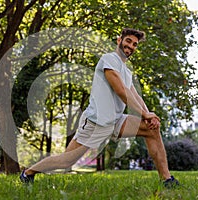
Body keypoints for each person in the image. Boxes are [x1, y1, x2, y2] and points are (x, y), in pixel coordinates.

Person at [20, 28, 179, 188]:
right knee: (67, 160)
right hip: (96, 122)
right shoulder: (109, 59)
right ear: (119, 40)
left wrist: (148, 116)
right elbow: (120, 90)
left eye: (135, 44)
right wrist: (144, 113)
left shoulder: (127, 71)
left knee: (152, 130)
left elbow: (135, 95)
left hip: (116, 120)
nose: (131, 46)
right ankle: (28, 173)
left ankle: (166, 180)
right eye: (128, 41)